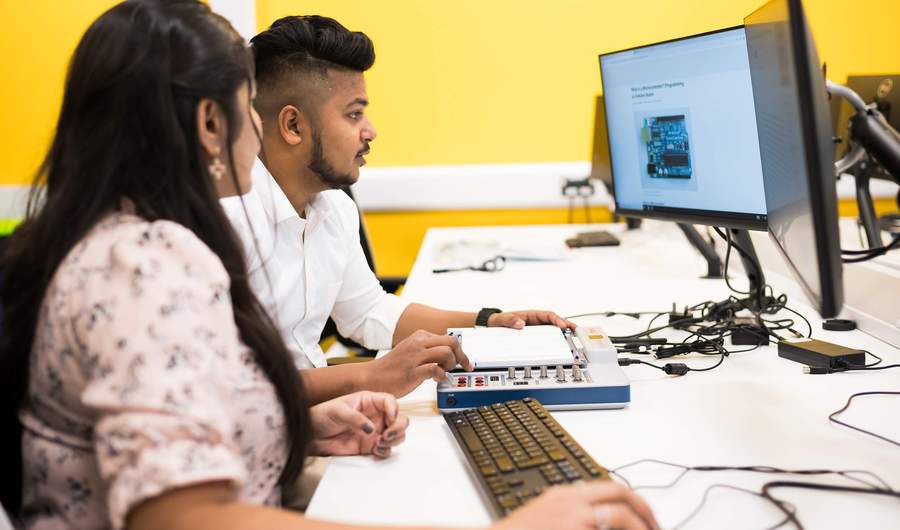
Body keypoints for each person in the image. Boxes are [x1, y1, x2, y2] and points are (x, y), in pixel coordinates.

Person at [0, 2, 658, 530]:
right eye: (244, 108)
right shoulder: (149, 267)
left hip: (273, 473)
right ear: (210, 123)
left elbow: (184, 410)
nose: (252, 136)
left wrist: (295, 427)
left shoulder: (124, 242)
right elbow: (180, 514)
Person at [221, 15, 577, 403]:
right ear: (293, 126)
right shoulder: (224, 225)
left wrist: (488, 322)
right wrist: (370, 376)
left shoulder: (333, 209)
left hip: (307, 418)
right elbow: (230, 389)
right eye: (353, 114)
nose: (370, 130)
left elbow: (369, 312)